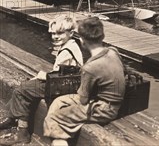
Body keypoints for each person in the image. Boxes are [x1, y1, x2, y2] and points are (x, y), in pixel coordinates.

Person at [0, 15, 83, 145]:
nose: (55, 36)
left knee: (22, 90)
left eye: (60, 33)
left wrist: (42, 75)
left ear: (71, 33)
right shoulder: (72, 44)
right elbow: (61, 72)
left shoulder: (66, 51)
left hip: (62, 87)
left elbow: (57, 77)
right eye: (53, 33)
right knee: (26, 85)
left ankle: (22, 132)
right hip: (66, 83)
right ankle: (12, 118)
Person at [43, 17, 125, 146]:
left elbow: (83, 100)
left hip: (103, 109)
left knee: (54, 118)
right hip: (111, 102)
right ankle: (60, 135)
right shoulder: (113, 51)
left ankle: (59, 139)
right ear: (102, 36)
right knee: (59, 101)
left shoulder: (90, 67)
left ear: (82, 40)